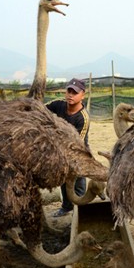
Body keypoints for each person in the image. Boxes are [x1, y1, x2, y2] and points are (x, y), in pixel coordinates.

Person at [46, 78, 89, 217]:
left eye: (75, 92)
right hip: (60, 149)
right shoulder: (58, 105)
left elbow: (78, 143)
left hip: (78, 151)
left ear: (82, 95)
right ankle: (66, 207)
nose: (70, 95)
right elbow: (40, 108)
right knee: (64, 180)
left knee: (78, 180)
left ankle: (81, 210)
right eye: (69, 91)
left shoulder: (83, 118)